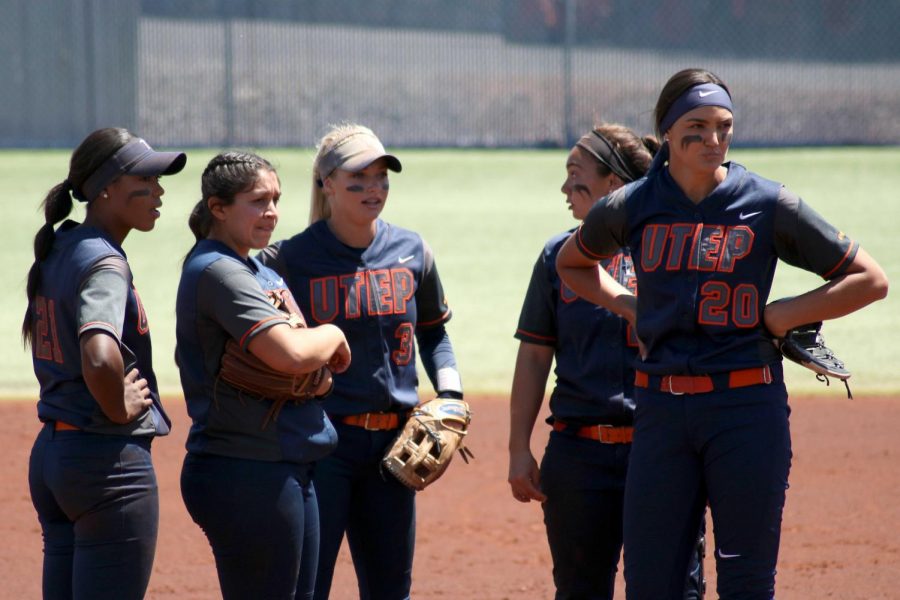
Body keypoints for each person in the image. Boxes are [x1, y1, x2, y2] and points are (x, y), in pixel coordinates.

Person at [556, 68, 889, 599]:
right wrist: (627, 305)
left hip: (746, 409)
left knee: (747, 583)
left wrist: (781, 314)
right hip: (661, 412)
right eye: (698, 126)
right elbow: (571, 263)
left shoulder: (766, 202)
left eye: (724, 126)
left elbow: (870, 280)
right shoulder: (633, 205)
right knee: (652, 583)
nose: (713, 139)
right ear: (666, 132)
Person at [257, 123, 463, 600]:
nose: (374, 189)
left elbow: (435, 332)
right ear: (326, 184)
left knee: (391, 589)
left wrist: (450, 391)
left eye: (381, 178)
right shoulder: (288, 260)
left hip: (395, 448)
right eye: (358, 179)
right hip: (322, 444)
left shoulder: (412, 251)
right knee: (309, 587)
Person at [508, 123, 705, 600]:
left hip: (659, 449)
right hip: (578, 456)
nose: (565, 188)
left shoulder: (671, 248)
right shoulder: (559, 256)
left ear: (612, 186)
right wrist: (518, 447)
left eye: (576, 177)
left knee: (673, 588)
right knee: (579, 589)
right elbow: (535, 355)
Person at [176, 151, 351, 600]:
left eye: (276, 199)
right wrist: (330, 334)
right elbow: (294, 354)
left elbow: (318, 374)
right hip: (245, 469)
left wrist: (315, 364)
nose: (271, 212)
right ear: (218, 207)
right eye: (257, 201)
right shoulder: (218, 271)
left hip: (285, 461)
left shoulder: (260, 272)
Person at [23, 127, 186, 599]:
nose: (158, 192)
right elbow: (98, 353)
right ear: (106, 188)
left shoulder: (63, 247)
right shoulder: (105, 263)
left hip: (54, 457)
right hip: (105, 465)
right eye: (146, 179)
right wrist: (118, 407)